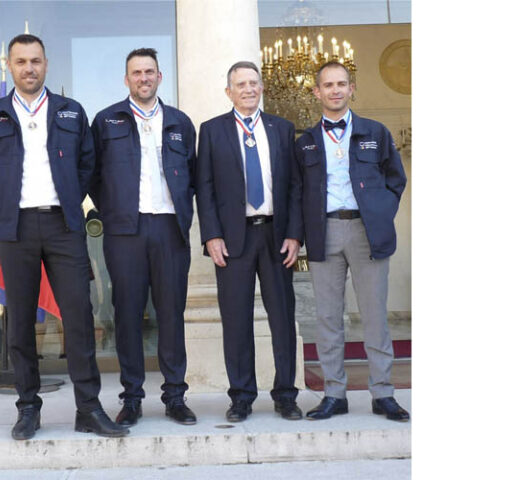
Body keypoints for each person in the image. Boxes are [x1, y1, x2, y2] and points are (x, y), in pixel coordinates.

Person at [0, 34, 128, 440]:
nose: (29, 68)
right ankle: (28, 408)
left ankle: (88, 408)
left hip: (63, 226)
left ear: (46, 64)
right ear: (11, 67)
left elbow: (88, 165)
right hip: (14, 229)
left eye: (35, 61)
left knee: (79, 318)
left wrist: (70, 200)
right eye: (21, 62)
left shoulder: (70, 111)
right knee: (19, 322)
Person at [89, 48, 197, 426]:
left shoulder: (181, 122)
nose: (143, 78)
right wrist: (115, 210)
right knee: (128, 315)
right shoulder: (107, 121)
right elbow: (93, 175)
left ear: (159, 77)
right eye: (136, 73)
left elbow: (193, 175)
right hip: (125, 231)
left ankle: (175, 397)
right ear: (126, 80)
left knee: (172, 314)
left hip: (169, 228)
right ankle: (132, 398)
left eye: (149, 72)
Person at [295, 61, 409, 422]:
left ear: (352, 88)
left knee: (374, 315)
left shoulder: (375, 131)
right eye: (327, 85)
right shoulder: (307, 141)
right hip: (324, 231)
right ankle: (333, 393)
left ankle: (383, 393)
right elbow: (296, 191)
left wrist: (378, 213)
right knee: (328, 317)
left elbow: (395, 180)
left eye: (341, 83)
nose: (335, 90)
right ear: (316, 92)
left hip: (366, 232)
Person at [195, 61, 303, 422]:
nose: (248, 89)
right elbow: (204, 188)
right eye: (240, 84)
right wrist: (211, 235)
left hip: (276, 236)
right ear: (229, 91)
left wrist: (294, 234)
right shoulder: (211, 131)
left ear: (261, 88)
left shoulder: (282, 128)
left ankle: (286, 395)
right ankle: (241, 395)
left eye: (253, 83)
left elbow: (294, 186)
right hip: (232, 240)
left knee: (283, 320)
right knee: (236, 320)